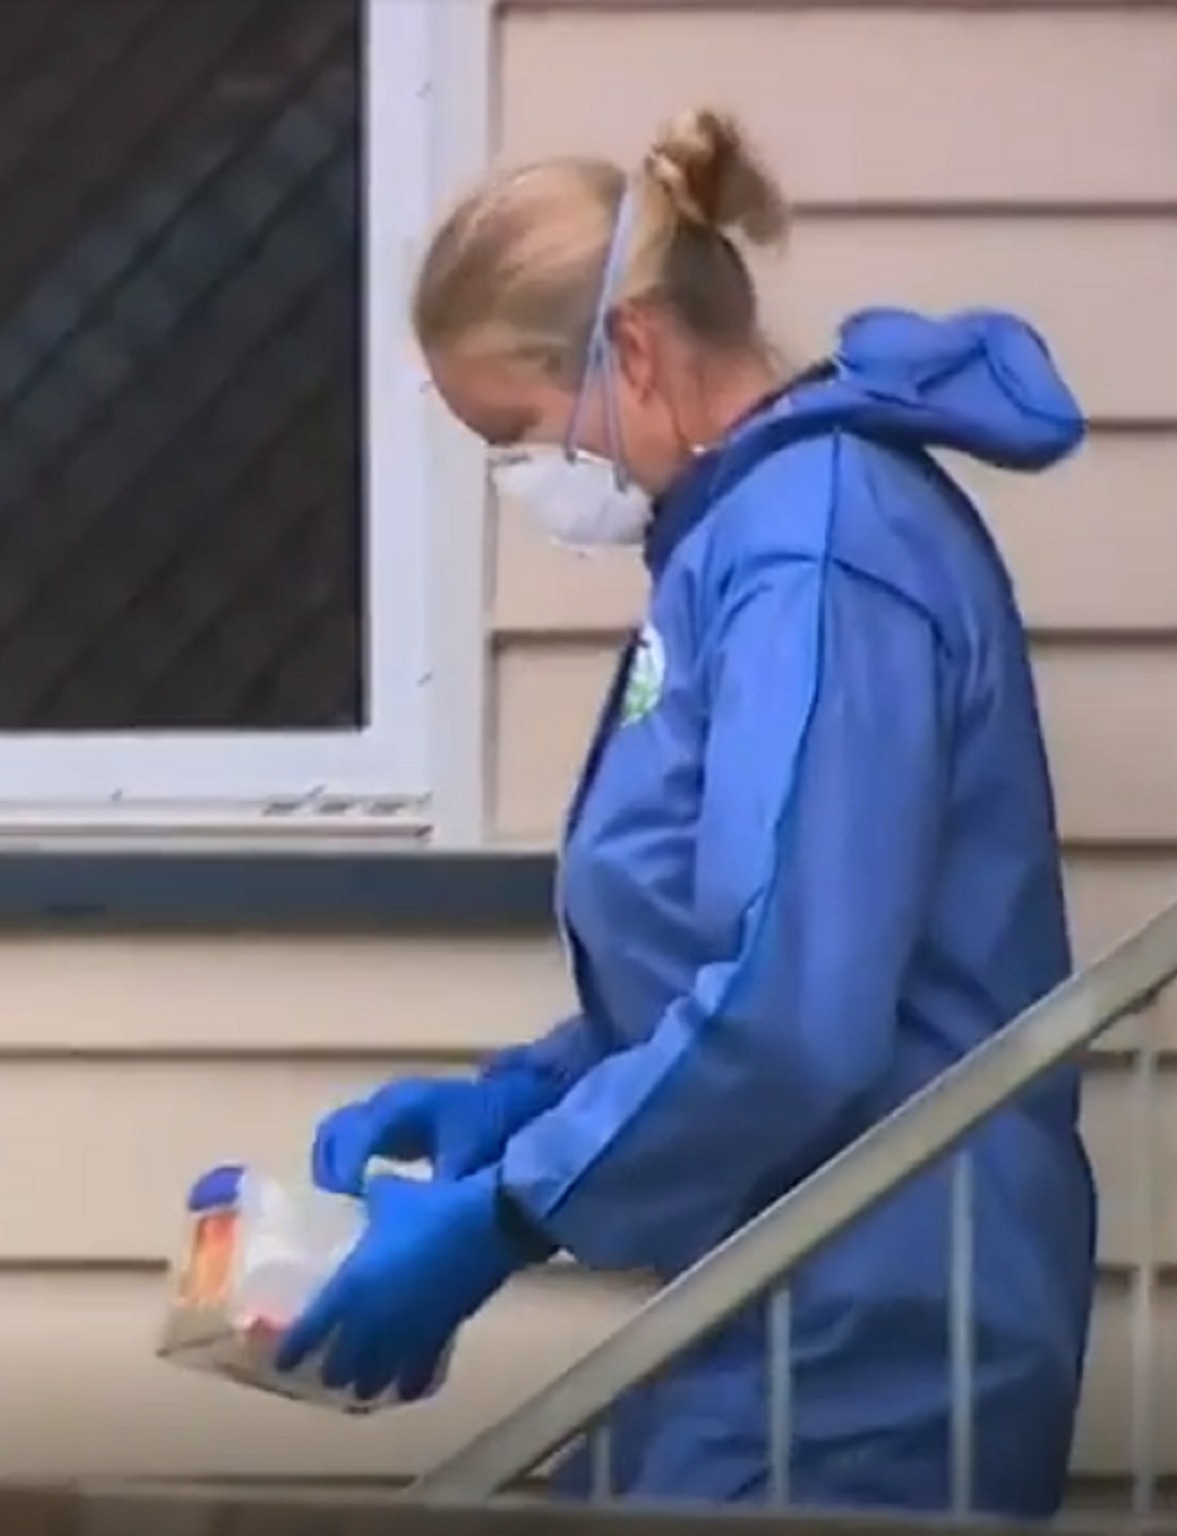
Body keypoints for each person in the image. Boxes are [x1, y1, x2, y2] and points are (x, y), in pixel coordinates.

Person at [264, 107, 1100, 1517]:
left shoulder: (816, 557)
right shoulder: (745, 542)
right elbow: (730, 945)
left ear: (633, 350)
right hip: (788, 1287)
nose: (522, 480)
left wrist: (512, 1210)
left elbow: (794, 1007)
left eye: (514, 432)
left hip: (872, 1322)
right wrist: (525, 1094)